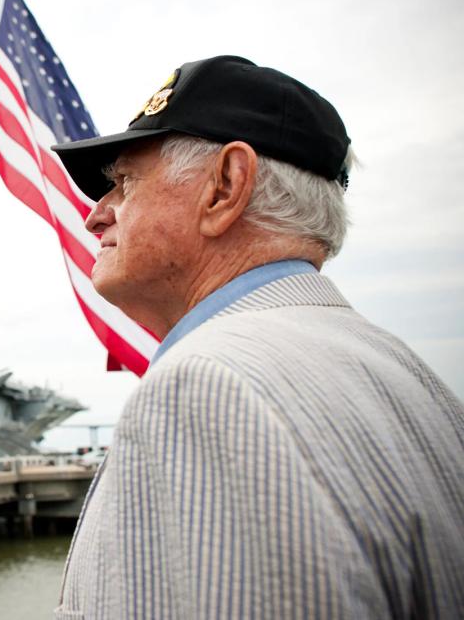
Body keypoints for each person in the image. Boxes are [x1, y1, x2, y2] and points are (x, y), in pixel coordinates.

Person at [50, 56, 464, 618]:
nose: (97, 215)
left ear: (225, 187)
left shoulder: (210, 387)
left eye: (123, 183)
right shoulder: (412, 377)